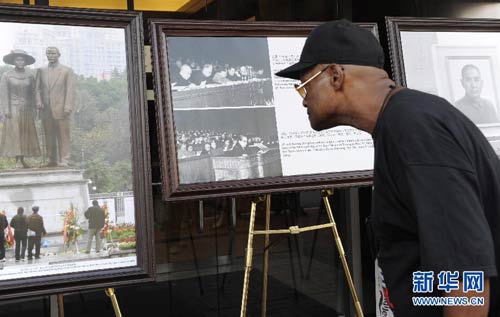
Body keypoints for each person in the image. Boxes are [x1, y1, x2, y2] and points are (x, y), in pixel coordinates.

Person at [276, 19, 499, 316]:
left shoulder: (413, 128)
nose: (304, 101)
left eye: (304, 87)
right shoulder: (401, 121)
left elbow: (467, 280)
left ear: (335, 76)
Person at [0, 49, 40, 168]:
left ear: (26, 61)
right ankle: (17, 160)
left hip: (27, 108)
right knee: (15, 134)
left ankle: (23, 159)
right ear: (13, 61)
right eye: (18, 59)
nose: (20, 62)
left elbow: (33, 93)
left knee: (25, 134)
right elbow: (3, 94)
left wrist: (35, 108)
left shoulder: (30, 76)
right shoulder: (6, 75)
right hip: (13, 109)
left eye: (22, 59)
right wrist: (5, 110)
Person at [36, 46, 75, 167]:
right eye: (48, 53)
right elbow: (37, 89)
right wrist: (38, 101)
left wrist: (68, 106)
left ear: (58, 54)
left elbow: (70, 90)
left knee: (63, 135)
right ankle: (51, 159)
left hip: (62, 109)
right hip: (46, 109)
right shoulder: (41, 70)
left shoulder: (66, 70)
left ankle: (65, 159)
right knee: (48, 136)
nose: (50, 55)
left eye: (53, 53)